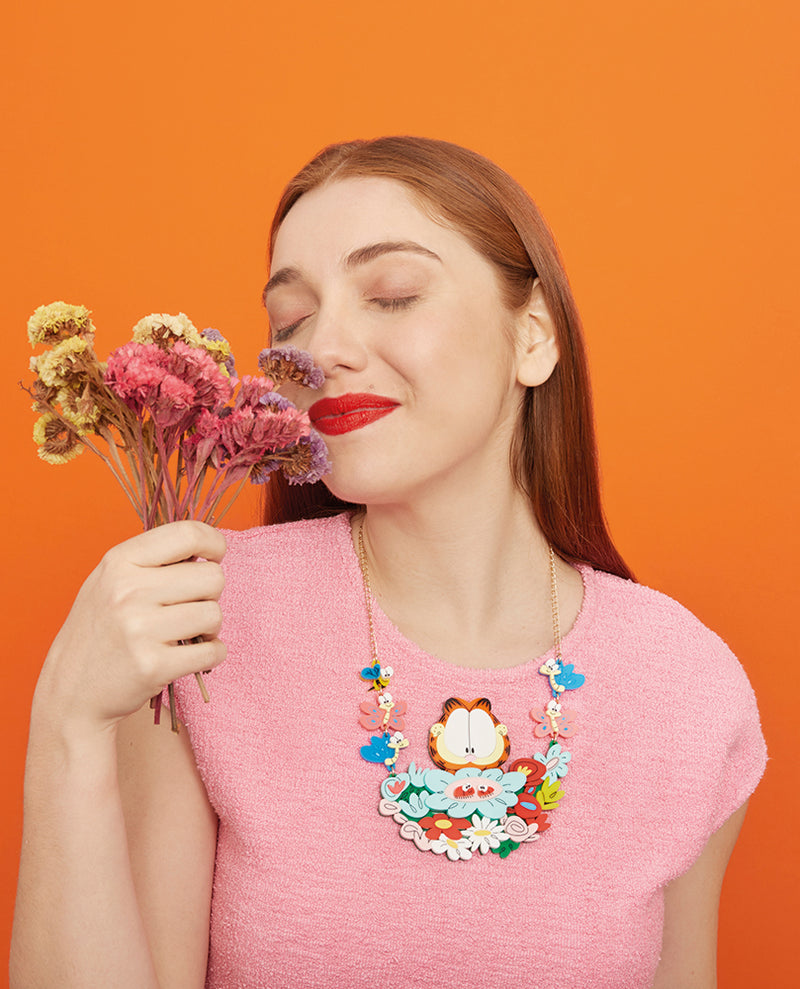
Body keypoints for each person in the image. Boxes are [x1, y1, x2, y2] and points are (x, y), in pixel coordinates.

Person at [11, 137, 766, 989]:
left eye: (393, 294)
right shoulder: (205, 620)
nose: (322, 348)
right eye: (290, 320)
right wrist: (68, 724)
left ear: (534, 337)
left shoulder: (687, 688)